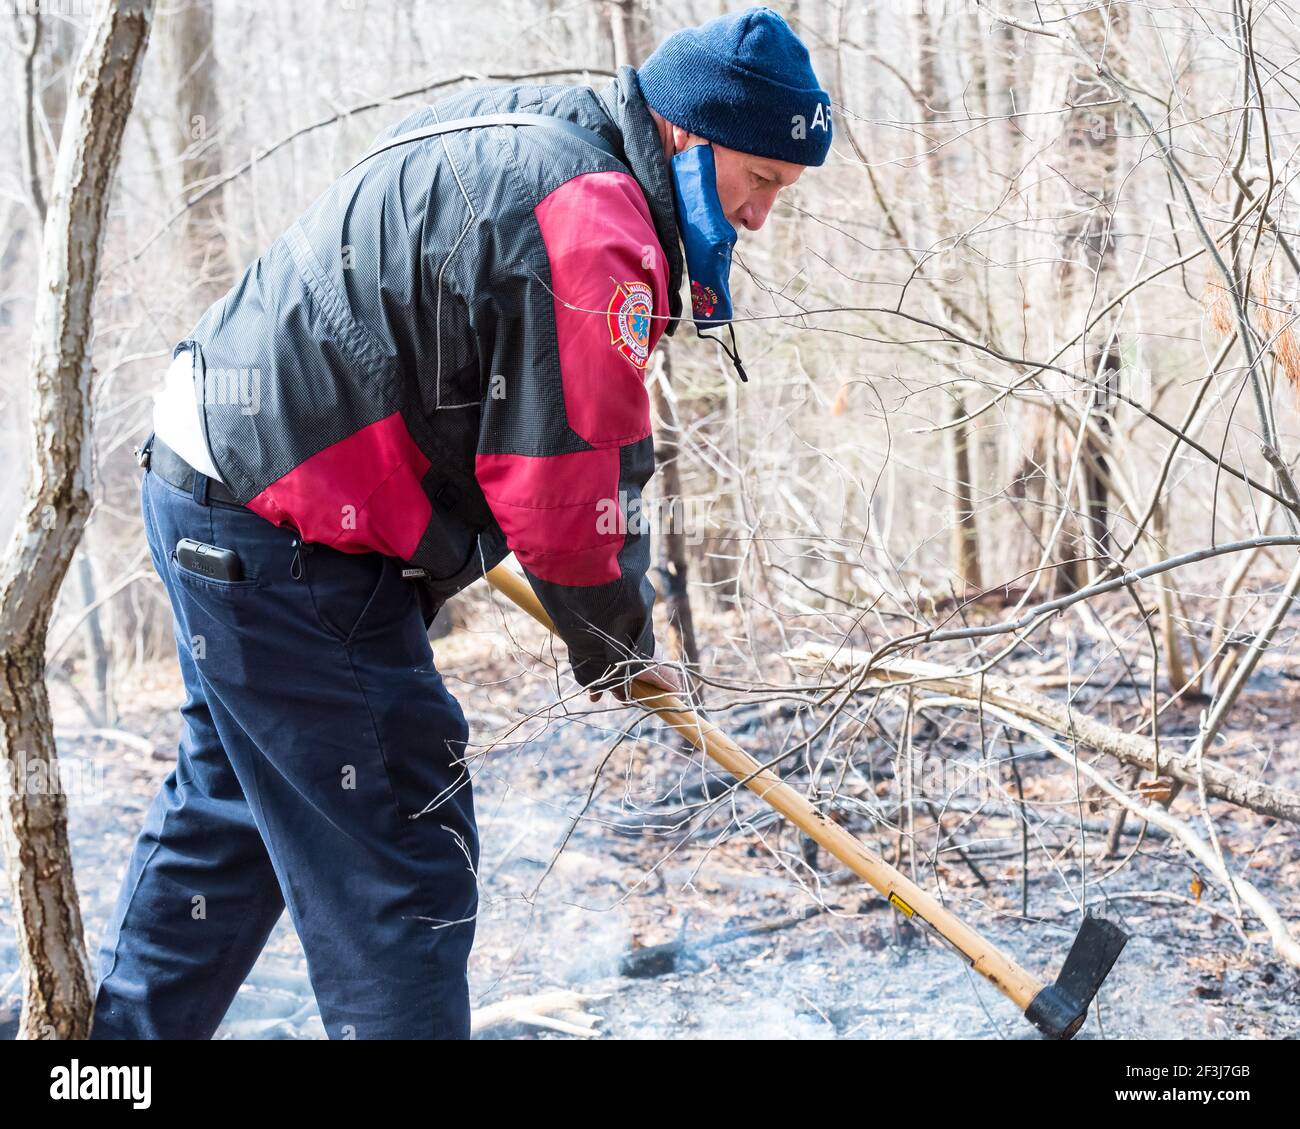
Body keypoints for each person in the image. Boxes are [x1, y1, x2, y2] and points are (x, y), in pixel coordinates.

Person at [91, 5, 831, 1040]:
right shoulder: (596, 226)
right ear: (688, 136)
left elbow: (574, 434)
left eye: (778, 193)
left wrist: (619, 624)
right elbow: (565, 494)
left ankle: (105, 1063)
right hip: (285, 526)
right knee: (404, 860)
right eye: (758, 181)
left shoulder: (558, 137)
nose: (757, 217)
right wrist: (619, 646)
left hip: (206, 478)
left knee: (231, 829)